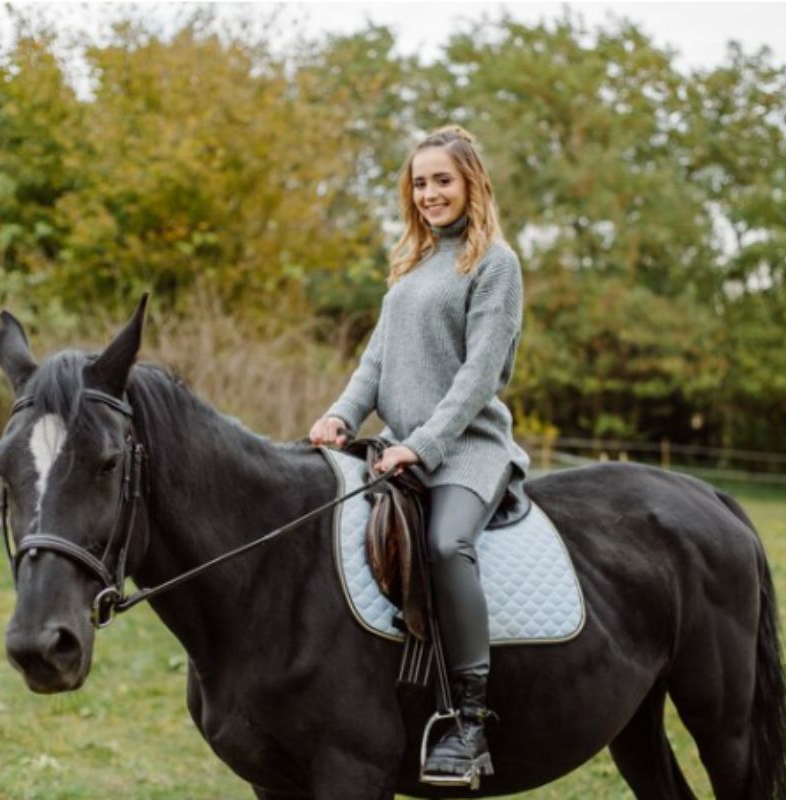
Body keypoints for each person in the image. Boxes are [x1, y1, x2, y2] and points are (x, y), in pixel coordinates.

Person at [308, 125, 531, 783]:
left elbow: (479, 375)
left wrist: (423, 445)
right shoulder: (410, 264)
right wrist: (340, 413)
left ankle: (469, 723)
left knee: (444, 546)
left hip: (466, 450)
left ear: (471, 184)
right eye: (420, 181)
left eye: (442, 180)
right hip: (397, 449)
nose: (429, 192)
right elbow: (375, 359)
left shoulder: (495, 264)